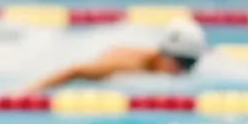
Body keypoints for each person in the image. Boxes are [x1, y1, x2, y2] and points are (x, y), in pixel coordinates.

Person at [24, 18, 207, 93]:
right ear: (165, 54)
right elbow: (75, 70)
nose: (183, 70)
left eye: (190, 64)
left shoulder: (156, 66)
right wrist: (30, 92)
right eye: (181, 62)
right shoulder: (130, 67)